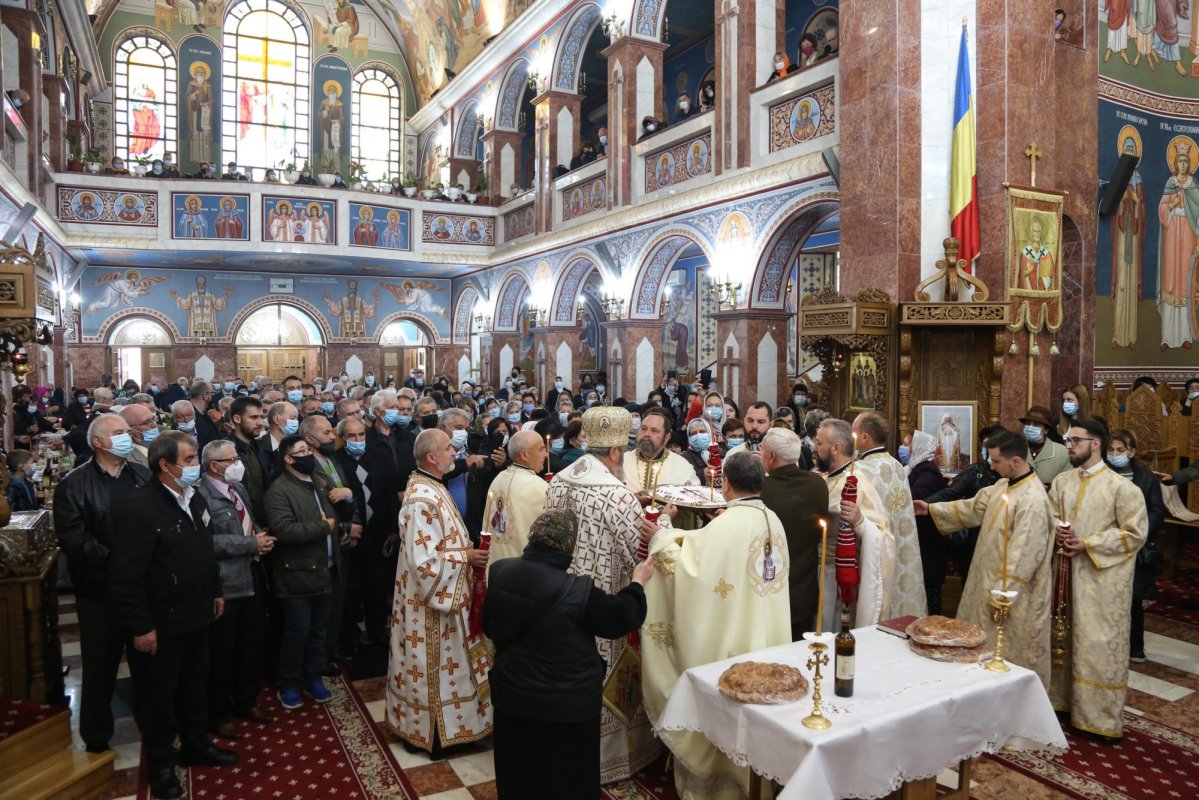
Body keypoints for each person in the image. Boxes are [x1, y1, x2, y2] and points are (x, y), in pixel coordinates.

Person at [642, 452, 791, 798]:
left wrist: (661, 532)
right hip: (766, 636)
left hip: (733, 642)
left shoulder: (727, 525)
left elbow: (689, 572)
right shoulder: (773, 519)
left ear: (725, 483)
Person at [483, 509, 653, 800]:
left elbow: (489, 625)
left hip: (513, 698)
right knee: (567, 781)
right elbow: (621, 618)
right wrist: (637, 583)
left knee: (518, 773)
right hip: (566, 709)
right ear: (567, 547)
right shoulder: (577, 592)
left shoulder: (500, 572)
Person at [108, 431, 237, 799]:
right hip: (159, 622)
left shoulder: (193, 499)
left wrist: (215, 590)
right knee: (158, 696)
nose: (197, 466)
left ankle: (197, 744)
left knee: (195, 685)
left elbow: (204, 550)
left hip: (197, 613)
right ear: (165, 465)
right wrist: (140, 625)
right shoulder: (139, 507)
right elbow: (126, 576)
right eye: (190, 460)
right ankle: (162, 763)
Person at [543, 405, 667, 783]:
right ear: (615, 453)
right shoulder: (617, 494)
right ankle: (610, 759)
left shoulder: (559, 479)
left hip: (561, 597)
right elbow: (641, 552)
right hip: (606, 602)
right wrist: (664, 521)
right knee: (609, 675)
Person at [915, 430, 1055, 689]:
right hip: (985, 582)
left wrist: (1004, 595)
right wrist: (931, 509)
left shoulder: (1033, 500)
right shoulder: (1003, 486)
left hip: (1010, 597)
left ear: (1015, 461)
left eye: (996, 461)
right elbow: (972, 508)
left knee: (1007, 655)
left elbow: (1024, 556)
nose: (990, 465)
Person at [386, 429, 493, 757]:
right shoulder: (422, 499)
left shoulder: (431, 486)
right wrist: (467, 557)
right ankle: (433, 734)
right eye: (448, 449)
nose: (454, 453)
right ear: (431, 458)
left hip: (446, 594)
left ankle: (457, 728)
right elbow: (425, 562)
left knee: (455, 664)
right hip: (429, 606)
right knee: (432, 666)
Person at [53, 414, 152, 754]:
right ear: (98, 442)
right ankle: (96, 737)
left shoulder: (142, 474)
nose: (129, 436)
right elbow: (76, 540)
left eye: (128, 431)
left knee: (148, 666)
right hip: (100, 591)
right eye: (120, 433)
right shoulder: (73, 484)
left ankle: (154, 729)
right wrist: (120, 565)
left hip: (142, 589)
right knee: (100, 666)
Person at [1047, 420, 1148, 743]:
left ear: (1096, 443)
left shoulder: (1123, 489)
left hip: (1101, 582)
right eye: (1068, 439)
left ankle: (1099, 718)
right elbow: (1048, 514)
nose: (1069, 445)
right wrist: (1056, 529)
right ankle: (1060, 702)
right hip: (1064, 574)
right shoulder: (1062, 482)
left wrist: (1088, 543)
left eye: (1075, 440)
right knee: (1063, 635)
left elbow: (1134, 534)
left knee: (1096, 644)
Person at [196, 440, 276, 739]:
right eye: (231, 461)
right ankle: (218, 713)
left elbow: (248, 523)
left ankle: (247, 700)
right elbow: (208, 542)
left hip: (253, 574)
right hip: (226, 582)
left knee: (252, 643)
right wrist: (249, 544)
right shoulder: (201, 495)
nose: (237, 465)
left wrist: (258, 537)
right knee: (223, 651)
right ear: (214, 466)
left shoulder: (237, 489)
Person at [263, 435, 343, 710]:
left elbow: (336, 515)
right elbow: (283, 530)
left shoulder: (319, 481)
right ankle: (287, 684)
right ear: (288, 458)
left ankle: (313, 678)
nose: (309, 455)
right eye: (302, 451)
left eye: (309, 450)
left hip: (325, 567)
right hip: (296, 572)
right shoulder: (279, 490)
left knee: (319, 631)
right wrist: (324, 527)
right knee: (297, 632)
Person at [813, 419, 892, 629]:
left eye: (819, 443)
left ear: (836, 448)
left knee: (832, 626)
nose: (814, 447)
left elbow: (883, 534)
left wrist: (859, 521)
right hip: (816, 570)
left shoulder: (857, 481)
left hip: (837, 573)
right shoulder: (823, 476)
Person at [851, 412, 927, 618]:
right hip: (901, 545)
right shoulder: (897, 466)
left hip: (873, 550)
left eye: (854, 432)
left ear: (865, 437)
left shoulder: (859, 470)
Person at [760, 428, 829, 638]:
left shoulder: (762, 488)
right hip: (805, 590)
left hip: (768, 590)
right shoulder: (818, 484)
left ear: (771, 456)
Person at [1106, 430, 1165, 664]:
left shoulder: (1145, 477)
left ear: (1131, 452)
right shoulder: (1104, 474)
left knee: (1134, 597)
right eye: (1111, 450)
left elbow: (1157, 509)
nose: (1115, 454)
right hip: (1109, 542)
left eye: (1120, 450)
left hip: (1137, 545)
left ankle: (1136, 645)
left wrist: (1138, 531)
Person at [925, 426, 1006, 585]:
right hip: (974, 540)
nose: (987, 452)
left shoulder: (1011, 476)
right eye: (985, 447)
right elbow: (949, 494)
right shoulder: (974, 472)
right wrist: (926, 504)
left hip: (1001, 543)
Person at [482, 430, 548, 574]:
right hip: (523, 572)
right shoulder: (538, 487)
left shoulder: (498, 478)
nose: (546, 454)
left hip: (496, 569)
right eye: (541, 449)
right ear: (524, 455)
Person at [905, 430, 949, 613]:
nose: (905, 449)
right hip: (921, 543)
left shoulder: (927, 473)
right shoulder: (917, 469)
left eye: (908, 445)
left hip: (928, 546)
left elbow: (913, 500)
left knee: (929, 599)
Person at [623, 408, 699, 503]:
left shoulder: (683, 467)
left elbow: (693, 500)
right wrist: (632, 498)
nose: (647, 434)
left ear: (666, 438)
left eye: (654, 431)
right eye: (643, 428)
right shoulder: (622, 461)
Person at [1021, 405, 1070, 487]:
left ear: (1046, 430)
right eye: (1028, 423)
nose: (1030, 428)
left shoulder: (1062, 453)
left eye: (1036, 424)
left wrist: (1049, 487)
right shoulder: (1015, 448)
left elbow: (1066, 483)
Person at [119, 402, 159, 469]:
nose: (154, 424)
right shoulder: (127, 461)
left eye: (154, 419)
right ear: (128, 430)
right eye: (146, 422)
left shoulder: (168, 443)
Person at [189, 381, 220, 451]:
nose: (213, 396)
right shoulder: (189, 416)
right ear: (205, 396)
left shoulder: (204, 413)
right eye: (212, 393)